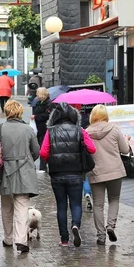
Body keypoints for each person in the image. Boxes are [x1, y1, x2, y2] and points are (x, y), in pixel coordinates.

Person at [39, 102, 96, 247]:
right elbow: (92, 149)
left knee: (61, 206)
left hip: (57, 174)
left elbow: (43, 152)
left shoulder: (50, 131)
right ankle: (75, 225)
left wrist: (52, 160)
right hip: (76, 173)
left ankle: (64, 239)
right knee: (76, 204)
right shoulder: (80, 130)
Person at [0, 100, 40, 253]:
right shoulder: (27, 129)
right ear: (20, 112)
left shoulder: (0, 128)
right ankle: (21, 240)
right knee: (22, 207)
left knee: (6, 207)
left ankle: (8, 238)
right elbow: (36, 151)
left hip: (4, 172)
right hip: (24, 173)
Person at [86, 105, 131, 245]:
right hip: (114, 171)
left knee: (98, 205)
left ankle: (101, 236)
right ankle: (110, 226)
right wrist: (127, 141)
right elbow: (125, 150)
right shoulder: (114, 129)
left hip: (96, 172)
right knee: (114, 199)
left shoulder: (86, 132)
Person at [71, 103, 93, 210]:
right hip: (82, 154)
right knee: (85, 177)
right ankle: (87, 192)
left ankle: (76, 199)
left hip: (70, 159)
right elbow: (91, 148)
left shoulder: (69, 121)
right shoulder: (85, 119)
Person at [30, 87, 55, 172]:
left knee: (44, 147)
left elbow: (47, 115)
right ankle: (42, 166)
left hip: (45, 128)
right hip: (38, 128)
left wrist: (36, 116)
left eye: (37, 93)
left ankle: (43, 167)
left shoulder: (49, 104)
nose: (36, 95)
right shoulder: (38, 102)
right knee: (39, 146)